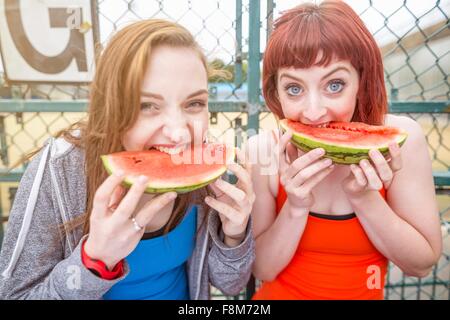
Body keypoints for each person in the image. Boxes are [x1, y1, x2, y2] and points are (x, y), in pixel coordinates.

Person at [0, 19, 255, 300]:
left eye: (194, 103)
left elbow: (231, 285)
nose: (179, 132)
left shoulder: (207, 172)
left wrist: (234, 236)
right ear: (112, 106)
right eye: (147, 106)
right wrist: (93, 261)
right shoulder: (60, 170)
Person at [248, 1, 442, 300]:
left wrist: (364, 198)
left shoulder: (401, 141)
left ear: (361, 82)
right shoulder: (261, 151)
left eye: (334, 84)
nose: (313, 112)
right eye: (295, 89)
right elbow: (264, 271)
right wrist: (296, 206)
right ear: (275, 92)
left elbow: (421, 265)